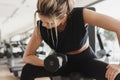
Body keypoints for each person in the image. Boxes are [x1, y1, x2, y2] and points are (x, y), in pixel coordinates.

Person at [20, 0, 120, 80]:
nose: (44, 25)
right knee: (28, 70)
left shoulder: (81, 15)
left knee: (116, 76)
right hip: (60, 63)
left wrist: (119, 65)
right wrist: (47, 64)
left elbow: (118, 26)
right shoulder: (40, 28)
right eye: (42, 20)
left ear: (63, 18)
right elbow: (27, 56)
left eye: (49, 23)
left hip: (86, 61)